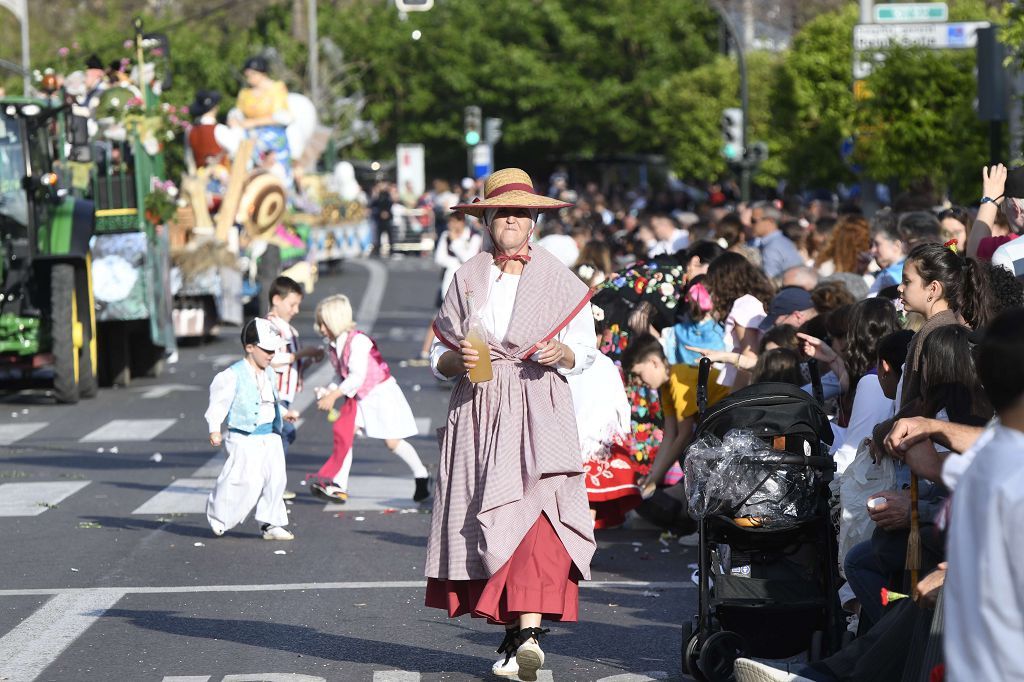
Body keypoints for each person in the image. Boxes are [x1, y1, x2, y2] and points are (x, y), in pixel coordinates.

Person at [425, 168, 596, 681]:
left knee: (538, 516)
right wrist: (458, 362)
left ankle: (528, 632)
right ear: (490, 219)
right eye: (505, 212)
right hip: (477, 410)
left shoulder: (561, 280)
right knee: (484, 518)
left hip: (538, 405)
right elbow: (439, 352)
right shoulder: (468, 276)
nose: (514, 221)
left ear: (535, 221)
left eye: (524, 212)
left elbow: (587, 352)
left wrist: (564, 352)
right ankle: (513, 636)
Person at [311, 294, 430, 503]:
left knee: (392, 442)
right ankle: (338, 485)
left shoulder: (359, 341)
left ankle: (421, 475)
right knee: (345, 433)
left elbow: (357, 376)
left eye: (323, 323)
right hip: (361, 397)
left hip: (380, 394)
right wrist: (327, 390)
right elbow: (340, 374)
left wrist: (334, 395)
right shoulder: (334, 345)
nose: (320, 328)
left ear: (335, 321)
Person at [204, 318, 297, 540]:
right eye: (266, 349)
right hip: (244, 436)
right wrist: (214, 428)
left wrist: (284, 413)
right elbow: (218, 404)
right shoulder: (232, 375)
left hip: (270, 435)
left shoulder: (269, 373)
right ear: (250, 347)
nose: (271, 354)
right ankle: (219, 516)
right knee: (243, 479)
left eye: (273, 350)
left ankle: (271, 523)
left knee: (276, 479)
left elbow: (272, 400)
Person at [626, 334, 729, 498]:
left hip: (728, 420)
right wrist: (651, 478)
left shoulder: (677, 379)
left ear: (654, 362)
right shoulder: (666, 387)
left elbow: (683, 435)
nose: (637, 382)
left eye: (638, 374)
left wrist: (653, 483)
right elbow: (669, 436)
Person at [266, 277, 324, 464]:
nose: (296, 310)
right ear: (276, 300)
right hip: (273, 394)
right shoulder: (270, 326)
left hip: (285, 394)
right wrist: (299, 355)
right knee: (285, 433)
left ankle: (270, 483)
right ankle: (271, 482)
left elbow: (291, 366)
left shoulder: (289, 329)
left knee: (279, 435)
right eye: (292, 305)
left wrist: (307, 360)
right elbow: (269, 359)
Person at [703, 252, 773, 389]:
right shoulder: (753, 301)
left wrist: (736, 397)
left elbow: (749, 355)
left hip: (749, 385)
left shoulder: (743, 306)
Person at [230, 56, 293, 186]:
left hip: (272, 136)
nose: (249, 77)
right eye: (247, 74)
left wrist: (253, 123)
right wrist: (234, 120)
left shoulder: (276, 88)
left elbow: (282, 116)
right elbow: (237, 113)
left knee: (274, 171)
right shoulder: (245, 93)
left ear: (262, 73)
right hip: (249, 136)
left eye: (252, 74)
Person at [750, 202, 804, 279]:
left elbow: (770, 281)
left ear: (770, 220)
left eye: (753, 221)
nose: (751, 225)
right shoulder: (782, 241)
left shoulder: (772, 247)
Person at [867, 212, 907, 295]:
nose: (872, 250)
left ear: (896, 245)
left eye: (877, 244)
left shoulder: (890, 277)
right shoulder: (886, 274)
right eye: (871, 244)